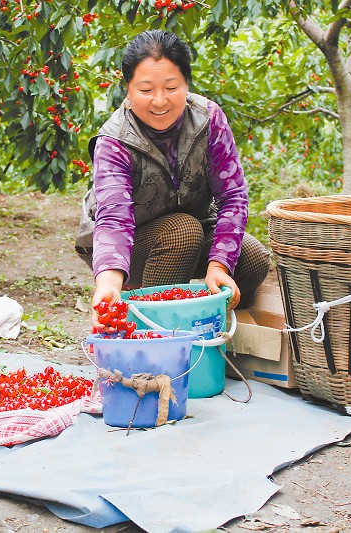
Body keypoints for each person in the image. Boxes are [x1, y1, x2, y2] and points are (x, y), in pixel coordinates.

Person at [75, 30, 271, 331]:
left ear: (186, 84)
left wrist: (219, 265)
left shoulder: (208, 119)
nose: (159, 101)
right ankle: (154, 332)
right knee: (181, 231)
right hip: (130, 245)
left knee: (252, 258)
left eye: (171, 87)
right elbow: (115, 220)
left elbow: (232, 195)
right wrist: (109, 284)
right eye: (145, 89)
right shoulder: (114, 141)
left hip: (193, 231)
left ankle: (213, 333)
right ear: (128, 88)